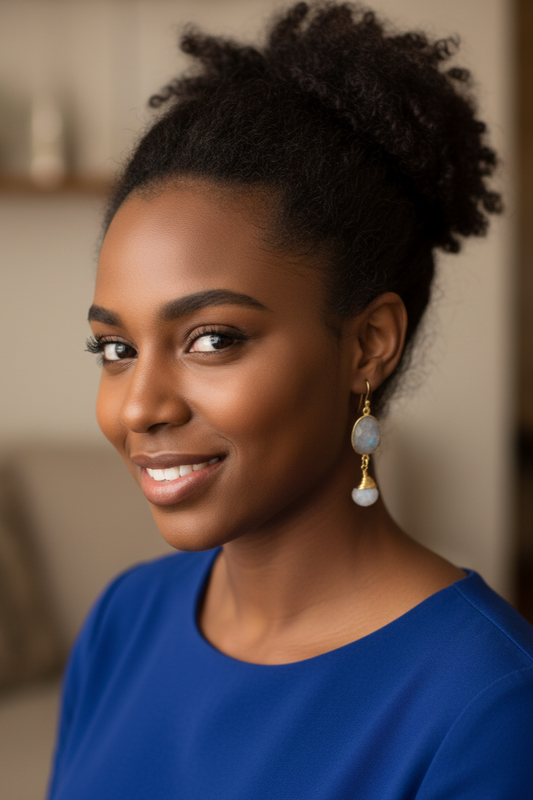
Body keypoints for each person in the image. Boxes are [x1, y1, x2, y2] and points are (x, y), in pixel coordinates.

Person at [47, 3, 533, 798]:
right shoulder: (123, 621)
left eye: (211, 339)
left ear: (367, 343)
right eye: (117, 349)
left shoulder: (487, 708)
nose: (139, 408)